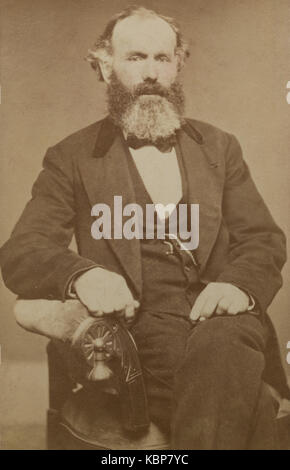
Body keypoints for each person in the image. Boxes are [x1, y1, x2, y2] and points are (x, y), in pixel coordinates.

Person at [0, 6, 289, 449]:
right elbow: (23, 250)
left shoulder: (220, 147)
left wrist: (239, 286)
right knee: (246, 394)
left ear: (177, 65)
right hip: (139, 329)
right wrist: (83, 274)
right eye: (135, 58)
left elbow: (263, 239)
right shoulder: (72, 156)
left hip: (226, 316)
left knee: (226, 344)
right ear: (105, 66)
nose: (151, 72)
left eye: (162, 58)